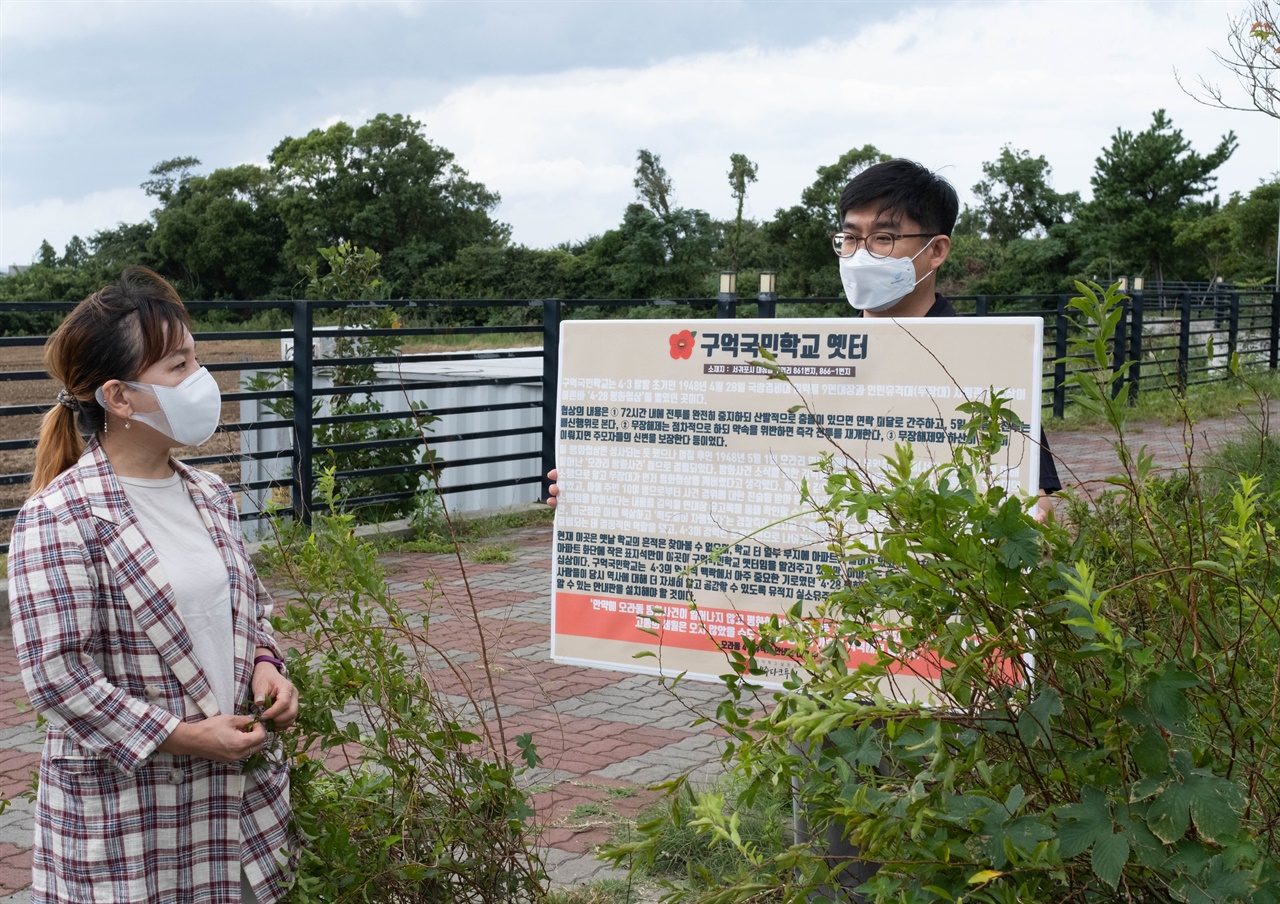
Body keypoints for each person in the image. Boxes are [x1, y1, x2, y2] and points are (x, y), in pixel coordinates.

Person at [8, 267, 298, 903]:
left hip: (239, 817)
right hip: (132, 827)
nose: (200, 380)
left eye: (195, 358)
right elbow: (58, 677)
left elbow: (251, 611)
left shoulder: (210, 493)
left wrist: (267, 666)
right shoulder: (61, 516)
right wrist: (188, 736)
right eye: (178, 366)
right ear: (119, 397)